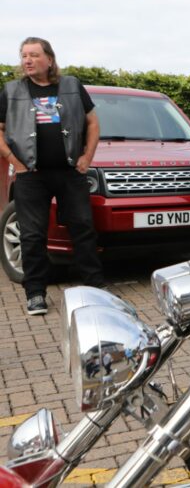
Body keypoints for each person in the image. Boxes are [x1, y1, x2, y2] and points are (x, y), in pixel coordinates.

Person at [0, 37, 105, 316]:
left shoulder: (71, 85)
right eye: (24, 55)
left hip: (70, 172)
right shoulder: (10, 91)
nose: (27, 60)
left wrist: (87, 157)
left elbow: (93, 123)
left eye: (34, 55)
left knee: (83, 228)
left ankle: (95, 289)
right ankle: (35, 293)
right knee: (32, 236)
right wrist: (14, 161)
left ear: (49, 59)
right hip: (31, 176)